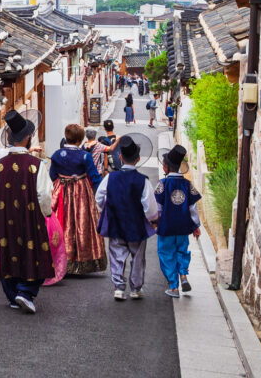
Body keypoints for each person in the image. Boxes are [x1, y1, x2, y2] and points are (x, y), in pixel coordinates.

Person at [0, 110, 55, 313]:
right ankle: (26, 292)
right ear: (28, 138)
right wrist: (46, 213)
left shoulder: (0, 165)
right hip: (30, 216)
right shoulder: (36, 165)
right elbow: (44, 195)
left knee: (10, 250)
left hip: (7, 216)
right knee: (34, 251)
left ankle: (13, 295)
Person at [95, 136, 158, 300]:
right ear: (138, 159)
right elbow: (150, 207)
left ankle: (118, 288)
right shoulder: (143, 181)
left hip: (115, 222)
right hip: (137, 225)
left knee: (116, 255)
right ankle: (136, 288)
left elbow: (99, 197)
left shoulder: (110, 178)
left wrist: (105, 209)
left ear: (120, 157)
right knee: (138, 257)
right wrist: (153, 219)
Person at [49, 124, 108, 276]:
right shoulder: (85, 156)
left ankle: (60, 259)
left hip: (61, 191)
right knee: (82, 223)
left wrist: (62, 181)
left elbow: (52, 175)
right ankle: (81, 260)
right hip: (81, 192)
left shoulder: (56, 154)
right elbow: (95, 178)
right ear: (80, 140)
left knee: (62, 223)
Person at [154, 145, 202, 298]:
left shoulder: (162, 184)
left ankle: (174, 287)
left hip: (166, 227)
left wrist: (155, 222)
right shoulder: (187, 184)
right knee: (182, 250)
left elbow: (158, 207)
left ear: (166, 167)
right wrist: (196, 226)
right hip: (183, 227)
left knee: (166, 253)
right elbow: (193, 208)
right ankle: (183, 274)